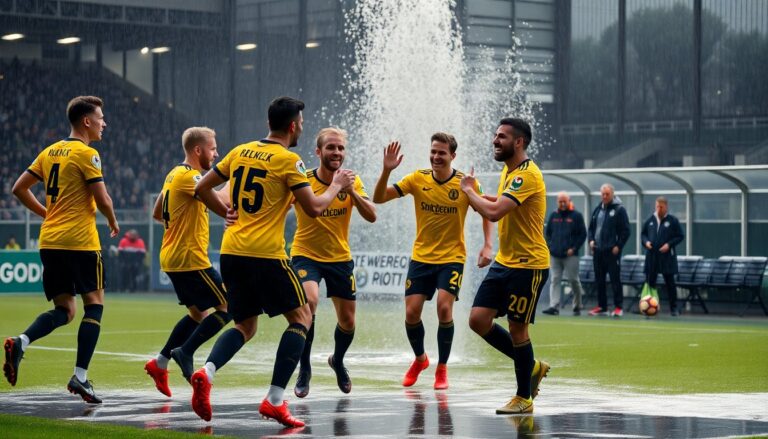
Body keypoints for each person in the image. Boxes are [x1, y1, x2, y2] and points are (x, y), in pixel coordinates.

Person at [191, 96, 355, 427]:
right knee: (302, 318)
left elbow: (202, 188)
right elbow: (315, 207)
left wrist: (225, 212)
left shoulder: (239, 151)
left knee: (245, 326)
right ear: (293, 125)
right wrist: (336, 185)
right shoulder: (288, 160)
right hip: (266, 255)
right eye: (302, 125)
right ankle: (275, 400)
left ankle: (206, 372)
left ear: (269, 122)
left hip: (232, 252)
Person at [4, 96, 119, 403]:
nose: (104, 123)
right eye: (100, 118)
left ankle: (22, 341)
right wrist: (111, 220)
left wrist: (46, 214)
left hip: (50, 241)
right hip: (80, 242)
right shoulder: (87, 154)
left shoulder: (50, 151)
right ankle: (80, 377)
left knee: (65, 310)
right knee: (94, 305)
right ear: (86, 121)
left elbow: (18, 188)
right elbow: (103, 198)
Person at [373, 132, 493, 390]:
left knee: (444, 308)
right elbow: (379, 198)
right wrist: (386, 170)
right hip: (421, 257)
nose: (436, 157)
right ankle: (420, 359)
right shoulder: (417, 179)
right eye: (433, 152)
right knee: (411, 312)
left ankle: (442, 368)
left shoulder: (466, 183)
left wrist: (487, 244)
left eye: (442, 153)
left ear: (453, 156)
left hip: (452, 258)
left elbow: (485, 210)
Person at [459, 117, 550, 414]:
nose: (495, 140)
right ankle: (531, 366)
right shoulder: (509, 171)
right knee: (478, 320)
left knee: (517, 328)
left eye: (502, 137)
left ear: (519, 142)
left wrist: (470, 192)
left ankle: (524, 397)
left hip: (528, 265)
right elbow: (500, 201)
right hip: (505, 261)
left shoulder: (528, 175)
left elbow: (496, 212)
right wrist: (476, 196)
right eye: (495, 135)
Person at [144, 127, 233, 397]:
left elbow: (157, 212)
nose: (216, 153)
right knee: (228, 306)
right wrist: (233, 178)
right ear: (198, 150)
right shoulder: (192, 176)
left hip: (172, 256)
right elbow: (223, 205)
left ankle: (159, 363)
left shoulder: (174, 173)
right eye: (213, 148)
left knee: (197, 315)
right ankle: (185, 352)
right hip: (189, 258)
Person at [291, 127, 377, 398]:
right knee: (310, 301)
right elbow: (279, 206)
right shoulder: (303, 180)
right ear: (318, 152)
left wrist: (351, 191)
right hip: (306, 254)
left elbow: (372, 215)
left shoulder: (352, 180)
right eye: (331, 147)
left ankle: (337, 360)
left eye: (340, 148)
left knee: (348, 321)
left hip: (340, 258)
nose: (336, 152)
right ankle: (304, 368)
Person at [587, 184, 630, 317]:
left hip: (612, 252)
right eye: (603, 194)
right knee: (599, 280)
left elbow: (626, 231)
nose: (605, 196)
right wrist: (591, 241)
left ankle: (618, 307)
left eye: (607, 194)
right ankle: (602, 307)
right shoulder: (597, 209)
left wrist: (618, 245)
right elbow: (591, 229)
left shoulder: (619, 210)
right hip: (598, 251)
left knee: (615, 280)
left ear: (612, 194)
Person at [542, 192, 587, 316]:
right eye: (560, 201)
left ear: (569, 201)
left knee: (573, 280)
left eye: (564, 201)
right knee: (555, 279)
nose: (562, 204)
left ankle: (577, 305)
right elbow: (548, 233)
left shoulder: (576, 216)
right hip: (555, 255)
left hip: (571, 255)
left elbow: (582, 234)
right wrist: (550, 247)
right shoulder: (553, 215)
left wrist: (574, 248)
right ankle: (554, 306)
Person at [641, 196, 684, 316]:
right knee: (651, 282)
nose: (658, 209)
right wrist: (646, 242)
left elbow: (680, 236)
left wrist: (669, 245)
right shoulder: (650, 220)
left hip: (667, 257)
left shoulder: (672, 220)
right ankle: (649, 307)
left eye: (661, 207)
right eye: (657, 206)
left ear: (666, 207)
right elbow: (643, 234)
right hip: (652, 256)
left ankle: (674, 308)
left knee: (670, 283)